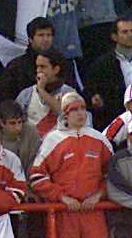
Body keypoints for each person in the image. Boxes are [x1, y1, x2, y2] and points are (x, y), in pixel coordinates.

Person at [29, 93, 112, 238]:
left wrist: (99, 195)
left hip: (94, 211)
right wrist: (62, 197)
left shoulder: (100, 139)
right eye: (74, 109)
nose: (80, 113)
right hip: (64, 212)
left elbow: (113, 176)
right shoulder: (52, 140)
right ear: (65, 115)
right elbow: (36, 177)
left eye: (83, 108)